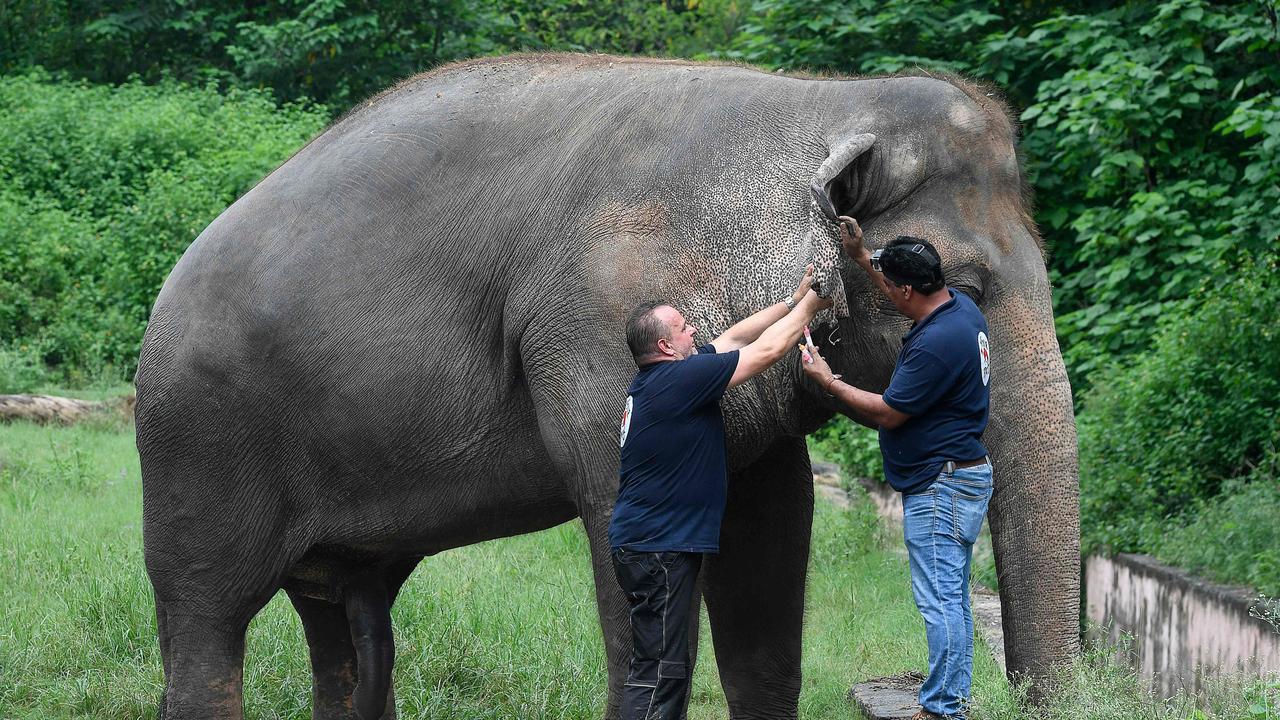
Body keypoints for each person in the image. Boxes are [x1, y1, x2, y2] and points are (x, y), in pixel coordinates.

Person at [609, 265, 832, 720]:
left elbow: (732, 338)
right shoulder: (679, 383)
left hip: (649, 545)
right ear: (666, 347)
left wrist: (792, 302)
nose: (695, 330)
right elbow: (765, 351)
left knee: (659, 665)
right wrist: (816, 304)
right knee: (662, 672)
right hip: (660, 549)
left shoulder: (661, 382)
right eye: (685, 327)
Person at [801, 217, 993, 720]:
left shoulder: (935, 345)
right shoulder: (960, 308)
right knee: (951, 594)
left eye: (891, 282)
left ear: (909, 288)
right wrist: (864, 258)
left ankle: (943, 708)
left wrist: (828, 380)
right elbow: (903, 295)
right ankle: (949, 699)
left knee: (941, 600)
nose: (890, 291)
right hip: (962, 472)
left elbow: (887, 411)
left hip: (941, 484)